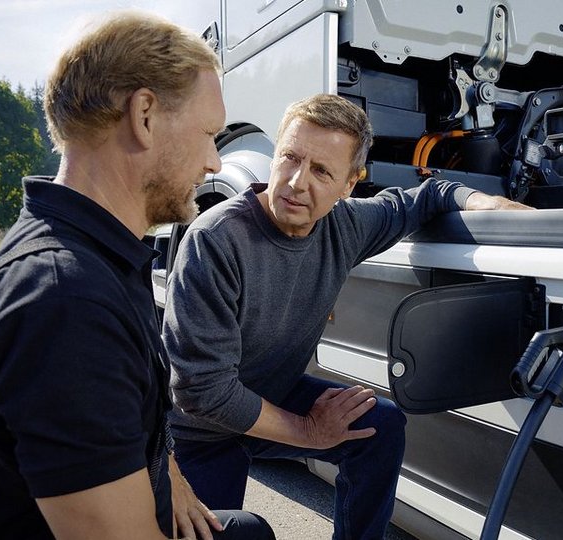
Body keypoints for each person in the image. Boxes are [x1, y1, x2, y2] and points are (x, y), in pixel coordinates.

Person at [0, 11, 274, 540]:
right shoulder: (66, 301)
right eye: (209, 134)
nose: (213, 162)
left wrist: (167, 470)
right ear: (145, 115)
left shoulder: (91, 250)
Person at [163, 93, 531, 539]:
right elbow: (203, 391)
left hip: (273, 395)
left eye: (321, 171)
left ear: (349, 185)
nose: (297, 182)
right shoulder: (215, 240)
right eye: (290, 158)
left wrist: (489, 205)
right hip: (197, 436)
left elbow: (429, 195)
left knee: (381, 426)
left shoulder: (347, 225)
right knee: (241, 533)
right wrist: (307, 430)